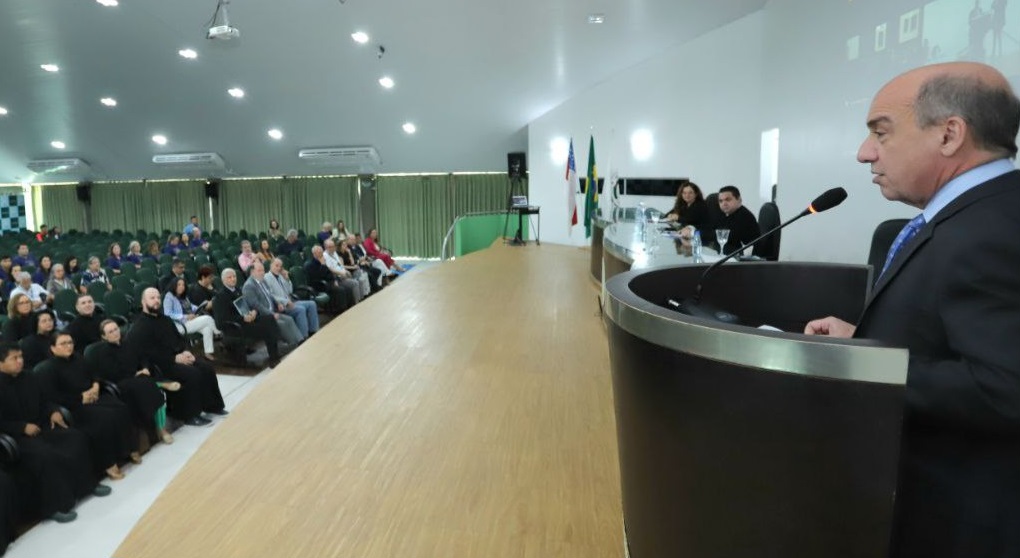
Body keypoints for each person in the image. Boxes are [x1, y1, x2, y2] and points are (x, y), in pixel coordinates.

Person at [804, 62, 1020, 558]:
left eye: (881, 132)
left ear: (949, 135)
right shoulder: (974, 214)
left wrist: (862, 365)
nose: (865, 152)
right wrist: (864, 339)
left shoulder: (992, 229)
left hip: (960, 523)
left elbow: (1005, 387)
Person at [0, 343, 110, 524]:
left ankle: (88, 486)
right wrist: (22, 427)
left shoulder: (29, 376)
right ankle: (56, 506)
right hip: (17, 437)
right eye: (14, 358)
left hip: (42, 425)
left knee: (77, 438)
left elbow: (45, 400)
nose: (20, 361)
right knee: (45, 456)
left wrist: (53, 411)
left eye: (21, 357)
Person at [126, 288, 226, 426]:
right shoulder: (139, 327)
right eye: (152, 298)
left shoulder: (165, 319)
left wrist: (185, 351)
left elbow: (179, 339)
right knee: (192, 374)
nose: (156, 301)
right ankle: (190, 415)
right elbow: (146, 354)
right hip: (159, 365)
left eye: (158, 297)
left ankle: (212, 406)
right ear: (143, 302)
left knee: (206, 368)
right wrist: (174, 359)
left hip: (177, 357)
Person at [45, 332, 139, 480]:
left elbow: (94, 374)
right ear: (53, 348)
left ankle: (129, 449)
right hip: (76, 405)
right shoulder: (49, 369)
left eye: (70, 342)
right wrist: (81, 397)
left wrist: (95, 386)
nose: (68, 346)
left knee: (121, 408)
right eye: (63, 344)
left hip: (94, 396)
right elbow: (55, 396)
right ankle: (109, 463)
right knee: (103, 420)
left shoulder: (78, 358)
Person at [90, 319, 173, 445]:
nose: (115, 332)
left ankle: (162, 429)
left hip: (139, 378)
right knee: (149, 386)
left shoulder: (129, 343)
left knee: (151, 388)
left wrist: (145, 367)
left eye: (116, 329)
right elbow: (113, 373)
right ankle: (160, 385)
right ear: (104, 336)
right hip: (121, 383)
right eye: (110, 332)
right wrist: (135, 374)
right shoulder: (102, 352)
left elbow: (143, 357)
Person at [213, 269, 282, 366]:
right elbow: (221, 321)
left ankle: (275, 353)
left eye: (234, 276)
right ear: (223, 280)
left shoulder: (238, 290)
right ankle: (273, 358)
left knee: (269, 318)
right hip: (237, 326)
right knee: (266, 328)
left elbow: (248, 306)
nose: (233, 279)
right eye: (229, 277)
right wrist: (242, 318)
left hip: (249, 319)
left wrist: (254, 311)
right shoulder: (220, 297)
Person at [243, 261, 305, 346]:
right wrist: (271, 314)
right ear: (252, 272)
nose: (262, 273)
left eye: (263, 270)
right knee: (283, 324)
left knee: (289, 319)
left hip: (272, 310)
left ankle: (301, 341)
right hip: (263, 316)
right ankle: (294, 345)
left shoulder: (262, 280)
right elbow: (256, 305)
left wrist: (278, 303)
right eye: (259, 271)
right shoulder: (248, 286)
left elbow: (270, 295)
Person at [685, 186, 759, 252]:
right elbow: (712, 226)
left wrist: (693, 233)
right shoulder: (728, 213)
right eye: (721, 201)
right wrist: (691, 227)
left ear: (739, 200)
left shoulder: (743, 216)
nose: (724, 203)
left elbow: (720, 235)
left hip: (749, 259)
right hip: (731, 253)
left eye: (728, 200)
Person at [163, 277, 218, 359]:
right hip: (180, 325)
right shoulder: (169, 297)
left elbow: (191, 306)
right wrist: (185, 317)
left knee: (207, 328)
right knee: (207, 318)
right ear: (174, 285)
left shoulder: (183, 296)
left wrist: (198, 308)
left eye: (183, 285)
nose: (181, 287)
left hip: (190, 321)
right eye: (179, 285)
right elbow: (167, 314)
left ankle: (208, 353)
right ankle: (217, 332)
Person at [266, 257, 319, 339]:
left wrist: (287, 279)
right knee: (300, 309)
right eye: (276, 265)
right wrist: (285, 301)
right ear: (271, 265)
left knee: (312, 304)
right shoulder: (266, 278)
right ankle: (304, 337)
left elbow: (290, 290)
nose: (278, 268)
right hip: (281, 306)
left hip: (291, 301)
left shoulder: (280, 276)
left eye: (280, 266)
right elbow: (270, 296)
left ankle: (313, 331)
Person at [305, 245, 352, 314]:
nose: (321, 254)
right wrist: (323, 265)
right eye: (319, 253)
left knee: (348, 288)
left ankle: (351, 307)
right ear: (314, 254)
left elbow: (329, 273)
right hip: (320, 285)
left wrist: (334, 280)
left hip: (329, 282)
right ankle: (342, 310)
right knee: (341, 290)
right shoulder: (310, 265)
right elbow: (319, 276)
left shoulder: (322, 261)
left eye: (322, 252)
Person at [323, 239, 362, 304]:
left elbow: (340, 264)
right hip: (337, 277)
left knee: (358, 279)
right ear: (326, 247)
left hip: (343, 273)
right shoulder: (325, 256)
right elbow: (330, 269)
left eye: (333, 246)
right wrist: (341, 273)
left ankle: (358, 300)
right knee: (355, 283)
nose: (332, 248)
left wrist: (345, 271)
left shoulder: (334, 253)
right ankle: (357, 303)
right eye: (330, 247)